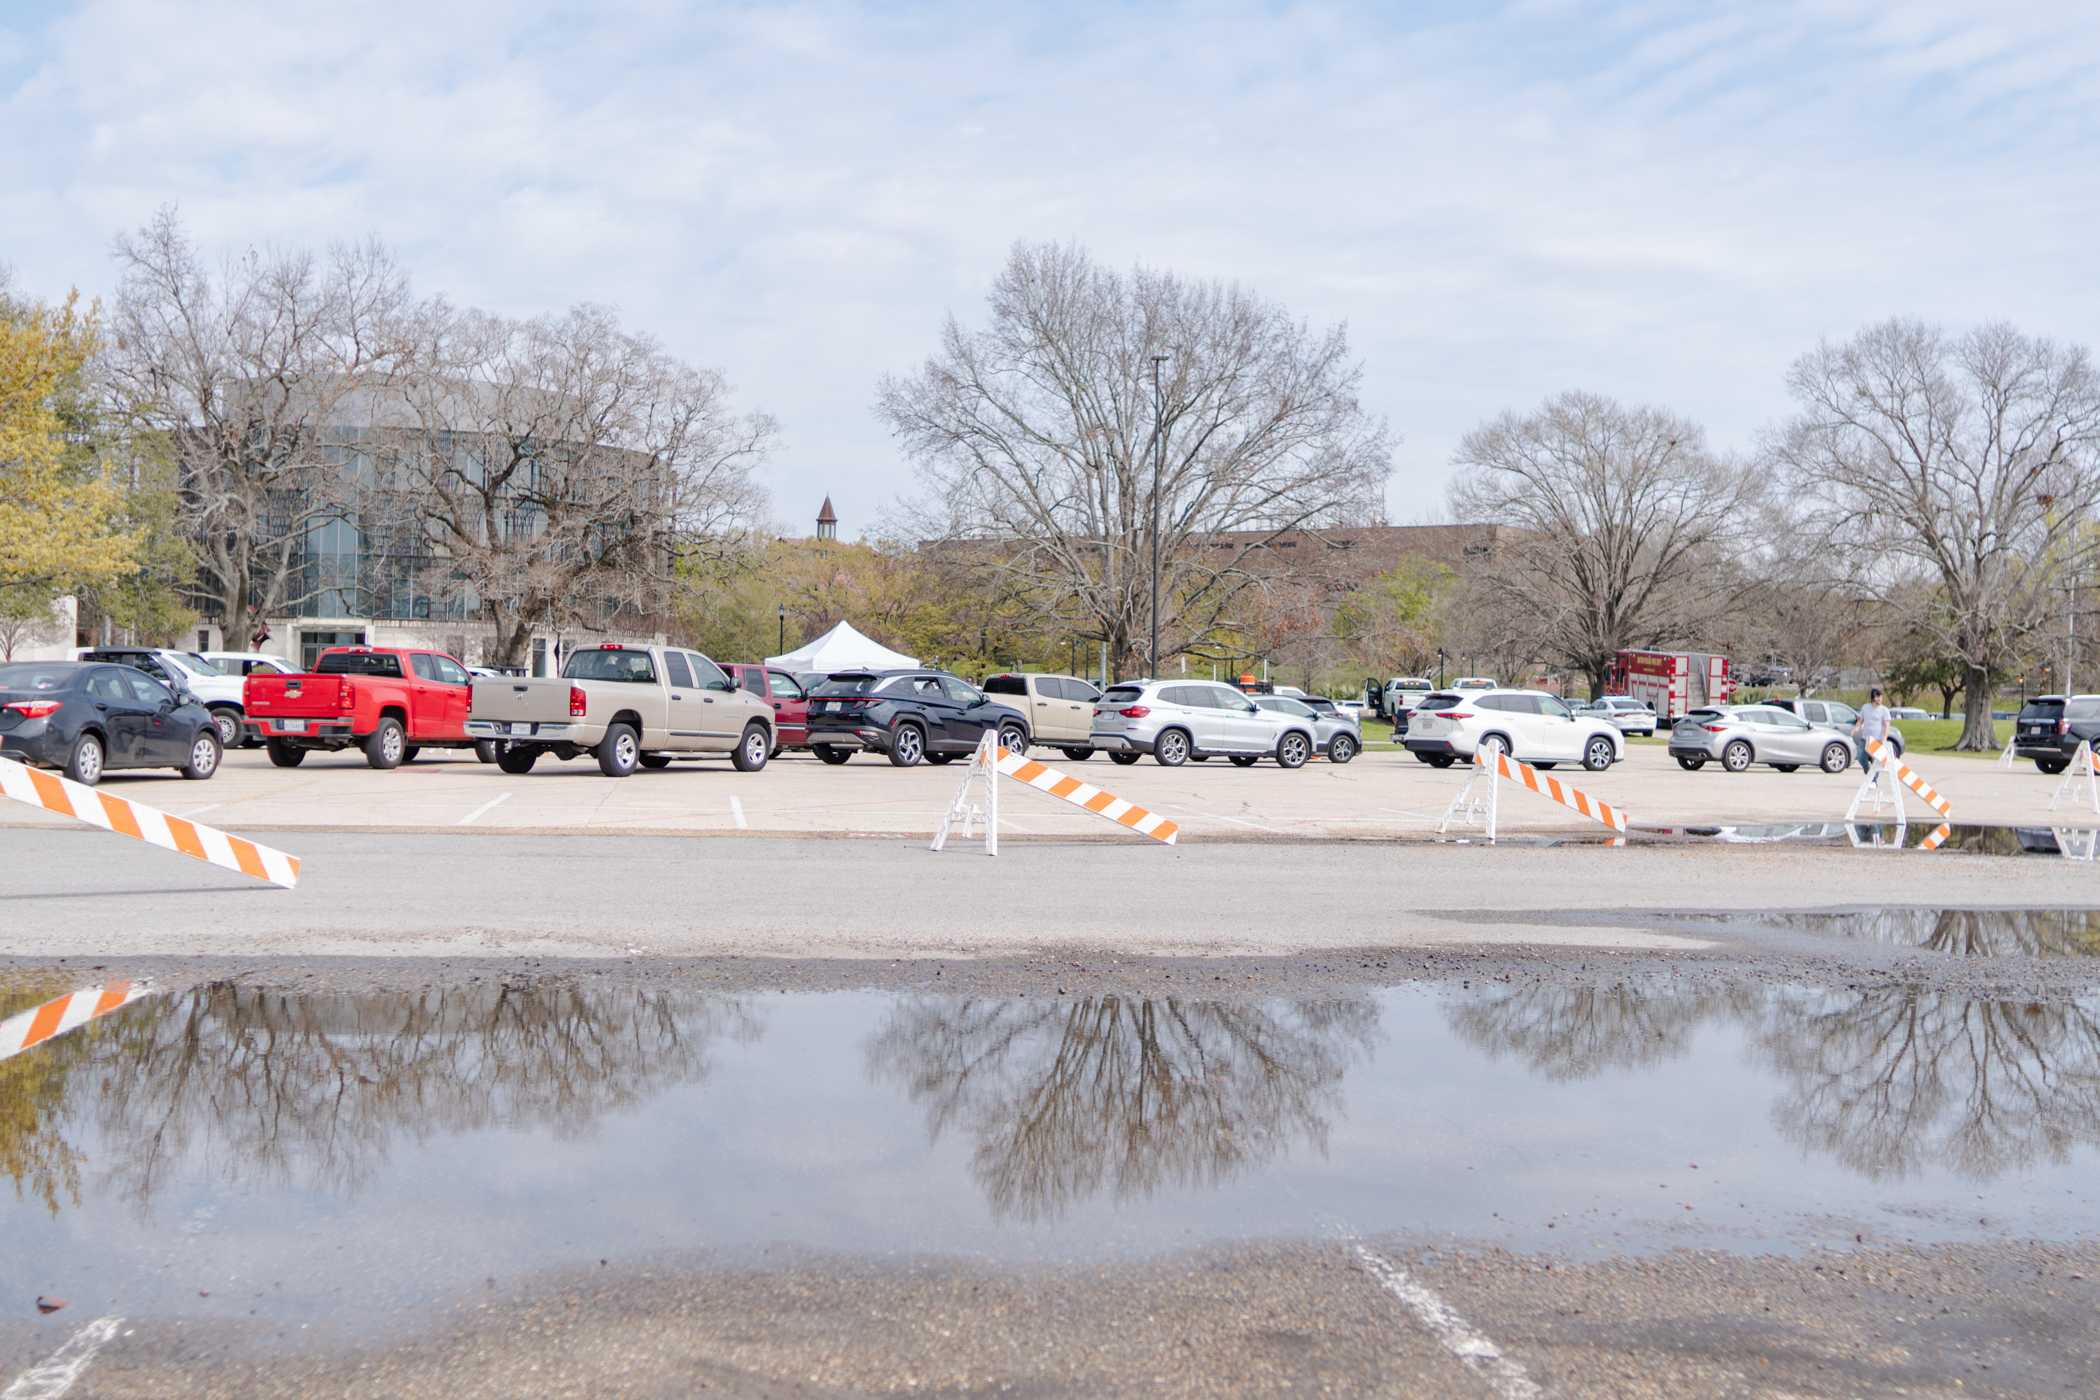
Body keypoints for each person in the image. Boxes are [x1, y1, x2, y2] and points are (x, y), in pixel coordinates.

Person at [1853, 687, 1893, 773]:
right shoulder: (1865, 707)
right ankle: (1868, 771)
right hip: (1865, 739)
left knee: (1876, 761)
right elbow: (1860, 721)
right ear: (1873, 698)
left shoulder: (1884, 710)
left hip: (1877, 740)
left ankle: (1873, 780)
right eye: (1878, 697)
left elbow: (1887, 725)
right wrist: (1856, 728)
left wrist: (1884, 738)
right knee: (1860, 757)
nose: (1880, 699)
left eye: (1881, 697)